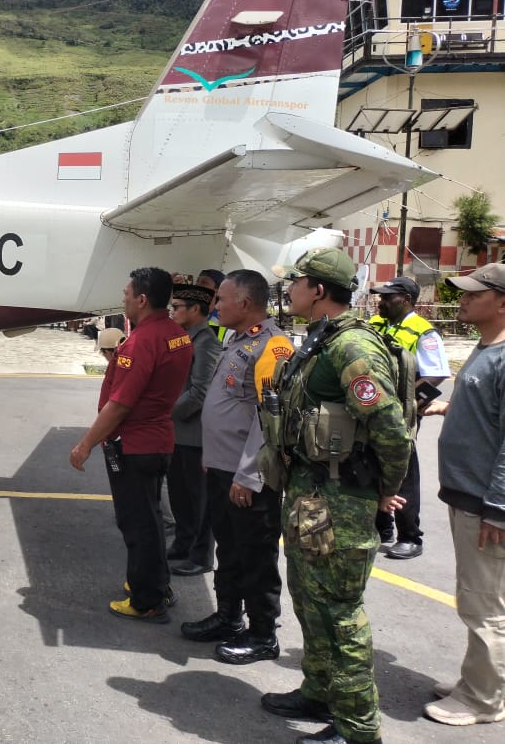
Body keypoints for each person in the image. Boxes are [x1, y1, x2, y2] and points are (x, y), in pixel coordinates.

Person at [260, 247, 412, 744]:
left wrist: (383, 490)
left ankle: (357, 729)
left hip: (340, 501)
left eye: (297, 282)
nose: (290, 290)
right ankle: (319, 691)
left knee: (341, 613)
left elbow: (390, 429)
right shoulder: (322, 340)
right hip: (311, 494)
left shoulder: (353, 349)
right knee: (308, 599)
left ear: (319, 290)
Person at [70, 267, 193, 622]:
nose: (122, 299)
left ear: (141, 299)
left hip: (135, 445)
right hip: (157, 442)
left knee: (137, 523)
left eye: (126, 294)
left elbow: (120, 403)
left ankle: (146, 599)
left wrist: (85, 444)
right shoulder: (176, 334)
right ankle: (156, 583)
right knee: (151, 519)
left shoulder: (141, 342)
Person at [182, 270, 292, 664]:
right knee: (229, 550)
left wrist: (248, 475)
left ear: (245, 304)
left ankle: (263, 634)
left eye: (221, 300)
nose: (216, 306)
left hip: (247, 477)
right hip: (223, 470)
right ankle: (229, 617)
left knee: (255, 557)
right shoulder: (238, 340)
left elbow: (269, 420)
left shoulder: (272, 347)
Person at [419, 262, 505, 727]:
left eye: (475, 294)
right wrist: (455, 405)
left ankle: (483, 700)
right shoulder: (486, 347)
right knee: (479, 598)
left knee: (483, 604)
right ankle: (478, 680)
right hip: (468, 493)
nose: (464, 300)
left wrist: (498, 508)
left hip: (485, 503)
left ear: (502, 302)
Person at [368, 275, 451, 560]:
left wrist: (410, 404)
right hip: (372, 408)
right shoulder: (376, 324)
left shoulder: (423, 332)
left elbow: (436, 374)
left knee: (402, 472)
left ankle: (410, 536)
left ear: (405, 300)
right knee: (371, 466)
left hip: (399, 413)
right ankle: (382, 527)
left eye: (387, 297)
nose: (381, 301)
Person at [166, 284, 221, 577]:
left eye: (178, 307)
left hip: (194, 435)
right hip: (178, 433)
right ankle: (183, 543)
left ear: (195, 310)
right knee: (179, 496)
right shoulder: (184, 338)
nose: (173, 311)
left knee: (198, 501)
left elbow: (200, 392)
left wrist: (165, 412)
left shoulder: (207, 342)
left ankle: (200, 556)